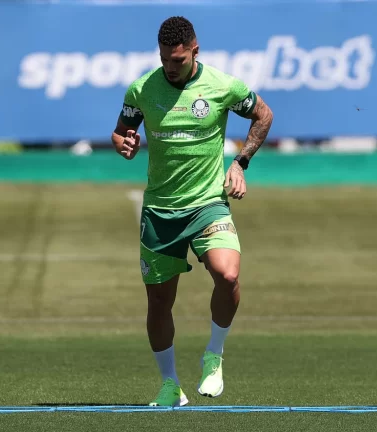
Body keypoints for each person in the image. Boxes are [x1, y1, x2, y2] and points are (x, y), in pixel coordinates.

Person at [111, 16, 274, 407]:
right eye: (165, 59)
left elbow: (263, 115)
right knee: (159, 303)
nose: (171, 67)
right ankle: (170, 385)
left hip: (207, 204)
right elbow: (120, 131)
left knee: (228, 273)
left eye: (179, 60)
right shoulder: (141, 89)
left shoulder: (222, 86)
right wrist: (123, 143)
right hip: (161, 213)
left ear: (195, 50)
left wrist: (240, 163)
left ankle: (214, 355)